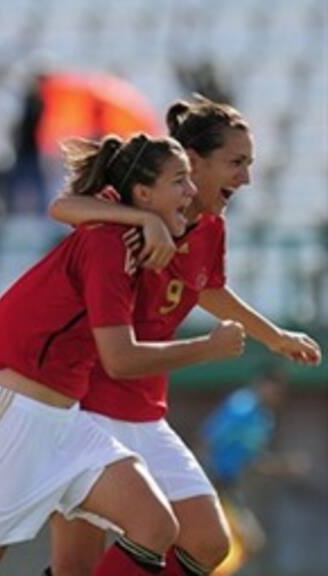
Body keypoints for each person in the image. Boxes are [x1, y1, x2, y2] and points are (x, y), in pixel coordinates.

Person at [0, 133, 249, 576]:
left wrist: (148, 221)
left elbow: (69, 207)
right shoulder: (109, 242)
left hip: (66, 422)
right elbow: (119, 359)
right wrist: (207, 349)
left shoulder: (131, 236)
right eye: (180, 182)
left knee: (153, 525)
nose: (191, 192)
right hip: (14, 415)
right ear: (142, 194)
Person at [44, 96, 323, 576]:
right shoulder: (139, 199)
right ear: (193, 162)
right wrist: (144, 219)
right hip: (84, 406)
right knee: (75, 564)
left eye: (250, 165)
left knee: (208, 542)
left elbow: (208, 289)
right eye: (236, 163)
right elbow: (63, 208)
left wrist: (274, 336)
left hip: (144, 411)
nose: (246, 178)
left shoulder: (211, 227)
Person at [199, 367, 309, 576]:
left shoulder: (263, 419)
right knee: (240, 540)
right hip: (214, 484)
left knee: (245, 542)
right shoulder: (240, 407)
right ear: (262, 385)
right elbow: (208, 440)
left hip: (229, 486)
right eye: (274, 389)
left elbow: (253, 461)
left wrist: (283, 466)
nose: (277, 396)